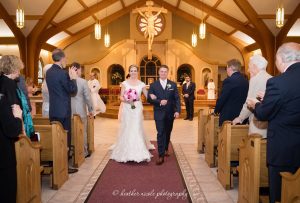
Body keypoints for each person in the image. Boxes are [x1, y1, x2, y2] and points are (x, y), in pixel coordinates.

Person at [247, 42, 300, 203]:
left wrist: (255, 104)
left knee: (278, 194)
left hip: (283, 148)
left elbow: (263, 114)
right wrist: (269, 99)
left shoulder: (277, 82)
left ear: (281, 59)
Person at [110, 64, 155, 163]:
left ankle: (139, 151)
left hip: (137, 108)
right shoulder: (124, 84)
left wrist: (155, 97)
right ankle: (126, 150)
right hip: (127, 108)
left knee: (136, 126)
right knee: (127, 127)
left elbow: (147, 96)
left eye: (135, 71)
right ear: (129, 72)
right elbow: (120, 97)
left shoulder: (142, 84)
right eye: (131, 70)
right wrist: (127, 100)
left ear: (138, 72)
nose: (133, 72)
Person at [46, 49, 78, 174]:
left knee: (56, 138)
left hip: (53, 110)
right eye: (66, 59)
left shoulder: (48, 72)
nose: (66, 61)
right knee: (65, 138)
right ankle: (64, 165)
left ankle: (55, 163)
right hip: (63, 111)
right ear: (62, 59)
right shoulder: (63, 73)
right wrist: (73, 79)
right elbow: (72, 90)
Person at [0, 55, 24, 203]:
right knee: (7, 189)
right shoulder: (9, 86)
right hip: (3, 147)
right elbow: (11, 129)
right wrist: (18, 117)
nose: (20, 72)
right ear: (14, 68)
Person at [147, 65, 181, 165]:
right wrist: (159, 101)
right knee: (160, 132)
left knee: (168, 132)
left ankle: (166, 148)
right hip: (159, 113)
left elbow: (177, 99)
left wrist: (177, 111)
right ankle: (161, 155)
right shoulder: (153, 85)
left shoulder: (173, 85)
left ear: (168, 73)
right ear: (158, 72)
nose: (163, 73)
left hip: (170, 113)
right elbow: (149, 99)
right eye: (161, 71)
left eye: (165, 71)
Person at [232, 55, 272, 137]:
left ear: (254, 66)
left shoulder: (255, 79)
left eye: (249, 67)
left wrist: (240, 118)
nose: (248, 70)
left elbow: (249, 102)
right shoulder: (271, 78)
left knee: (255, 147)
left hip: (257, 122)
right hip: (269, 123)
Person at [214, 59, 248, 126]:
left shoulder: (229, 80)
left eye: (226, 68)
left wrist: (216, 110)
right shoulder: (245, 81)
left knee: (225, 135)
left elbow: (222, 98)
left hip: (229, 116)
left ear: (230, 68)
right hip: (242, 116)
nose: (226, 70)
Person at [71, 62, 94, 158]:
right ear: (78, 70)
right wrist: (91, 109)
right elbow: (88, 97)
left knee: (72, 131)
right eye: (81, 70)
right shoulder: (82, 81)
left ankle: (72, 152)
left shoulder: (67, 80)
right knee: (82, 131)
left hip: (69, 110)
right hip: (80, 111)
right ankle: (83, 152)